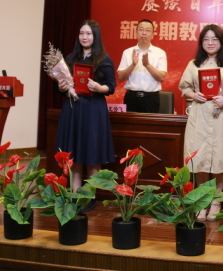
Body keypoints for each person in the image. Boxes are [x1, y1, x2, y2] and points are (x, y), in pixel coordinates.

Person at [179, 24, 223, 220]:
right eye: (206, 39)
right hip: (199, 115)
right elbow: (184, 88)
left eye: (214, 39)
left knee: (219, 158)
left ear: (221, 42)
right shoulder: (194, 64)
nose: (210, 42)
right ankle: (202, 201)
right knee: (200, 159)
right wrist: (194, 95)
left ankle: (216, 201)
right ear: (201, 42)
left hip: (221, 115)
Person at [56, 19, 116, 212]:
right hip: (73, 109)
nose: (84, 37)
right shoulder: (70, 58)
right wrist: (61, 87)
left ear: (95, 36)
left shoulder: (104, 59)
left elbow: (111, 86)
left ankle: (90, 195)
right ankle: (76, 195)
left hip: (93, 110)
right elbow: (62, 87)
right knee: (74, 152)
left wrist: (99, 87)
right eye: (82, 33)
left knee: (92, 151)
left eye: (88, 33)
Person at [117, 19, 167, 113]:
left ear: (152, 34)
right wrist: (133, 65)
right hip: (131, 98)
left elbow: (161, 77)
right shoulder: (128, 52)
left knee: (149, 123)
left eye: (148, 30)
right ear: (136, 33)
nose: (144, 33)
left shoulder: (160, 53)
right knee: (129, 123)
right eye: (141, 29)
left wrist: (147, 65)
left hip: (151, 99)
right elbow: (120, 77)